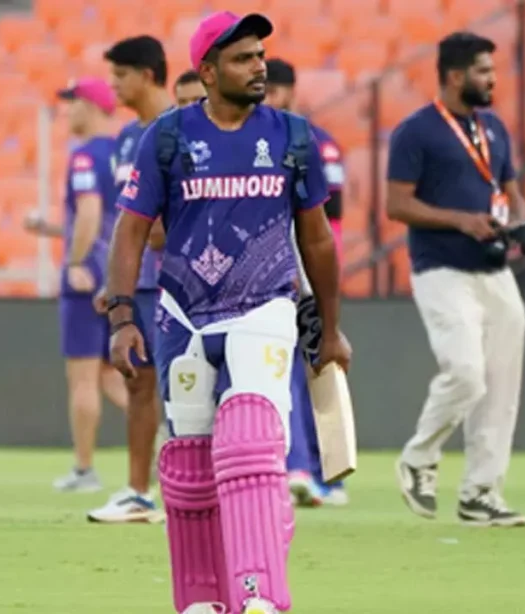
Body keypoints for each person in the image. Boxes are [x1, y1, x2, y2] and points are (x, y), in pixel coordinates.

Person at [105, 12, 350, 614]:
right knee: (190, 467)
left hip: (263, 306)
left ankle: (259, 595)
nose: (259, 66)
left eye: (260, 54)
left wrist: (330, 328)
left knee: (250, 443)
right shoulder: (166, 137)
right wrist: (121, 316)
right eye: (243, 58)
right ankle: (202, 598)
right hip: (182, 315)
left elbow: (317, 239)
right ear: (208, 72)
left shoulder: (294, 137)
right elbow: (130, 231)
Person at [386, 32, 525, 527]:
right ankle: (418, 457)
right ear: (455, 75)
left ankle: (481, 492)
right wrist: (460, 221)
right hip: (441, 268)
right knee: (467, 373)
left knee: (501, 384)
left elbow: (512, 190)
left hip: (494, 270)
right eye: (484, 71)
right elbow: (396, 204)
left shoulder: (494, 128)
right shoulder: (416, 132)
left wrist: (520, 223)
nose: (493, 79)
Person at [23, 78, 130, 493]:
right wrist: (52, 230)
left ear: (92, 106)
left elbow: (89, 213)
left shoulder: (84, 156)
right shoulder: (124, 153)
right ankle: (165, 438)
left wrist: (74, 261)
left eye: (74, 103)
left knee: (83, 377)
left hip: (87, 281)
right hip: (123, 275)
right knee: (112, 376)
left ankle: (84, 470)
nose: (68, 111)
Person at [85, 35, 171, 524]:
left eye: (120, 75)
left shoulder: (178, 130)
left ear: (147, 75)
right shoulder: (123, 139)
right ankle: (139, 493)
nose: (113, 85)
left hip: (178, 281)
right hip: (137, 284)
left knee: (188, 389)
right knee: (138, 383)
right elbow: (125, 220)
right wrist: (113, 283)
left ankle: (200, 488)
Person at [263, 57, 348, 508]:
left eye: (275, 91)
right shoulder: (259, 139)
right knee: (288, 368)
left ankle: (329, 473)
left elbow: (330, 215)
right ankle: (298, 468)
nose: (269, 99)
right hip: (277, 268)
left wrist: (318, 278)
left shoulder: (317, 143)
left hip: (312, 271)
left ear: (291, 92)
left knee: (321, 367)